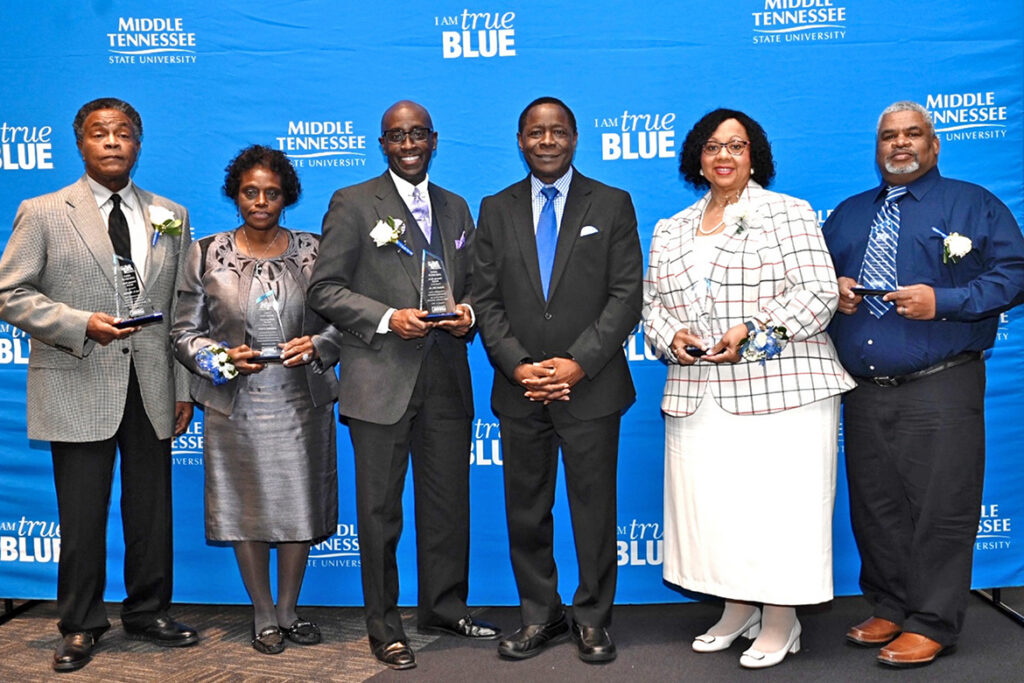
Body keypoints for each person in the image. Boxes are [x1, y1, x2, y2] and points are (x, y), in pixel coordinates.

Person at [642, 108, 854, 669]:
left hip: (783, 388)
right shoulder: (670, 227)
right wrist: (674, 336)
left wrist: (753, 332)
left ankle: (782, 618)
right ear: (698, 157)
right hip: (698, 391)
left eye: (736, 146)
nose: (724, 156)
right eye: (713, 146)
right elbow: (651, 307)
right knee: (717, 509)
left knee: (778, 507)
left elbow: (817, 294)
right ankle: (739, 608)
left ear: (753, 155)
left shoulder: (787, 213)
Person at [823, 100, 1024, 668]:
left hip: (942, 382)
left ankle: (933, 620)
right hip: (863, 388)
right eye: (889, 136)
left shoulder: (974, 203)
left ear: (935, 146)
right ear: (878, 147)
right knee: (877, 506)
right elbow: (809, 281)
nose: (901, 144)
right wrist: (830, 289)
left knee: (942, 508)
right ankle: (890, 605)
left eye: (913, 134)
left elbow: (1015, 275)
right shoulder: (847, 215)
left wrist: (946, 300)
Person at [0, 97, 197, 672]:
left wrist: (184, 387)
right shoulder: (42, 211)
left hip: (154, 383)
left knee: (151, 510)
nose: (111, 142)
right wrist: (77, 323)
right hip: (77, 376)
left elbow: (185, 308)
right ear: (79, 142)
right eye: (98, 132)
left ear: (139, 143)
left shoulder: (172, 214)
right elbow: (10, 293)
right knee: (83, 514)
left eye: (123, 132)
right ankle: (81, 623)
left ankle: (148, 610)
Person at [307, 100, 497, 671]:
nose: (408, 143)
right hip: (380, 379)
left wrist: (470, 315)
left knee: (446, 505)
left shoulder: (458, 207)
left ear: (434, 140)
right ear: (382, 143)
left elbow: (479, 288)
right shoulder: (353, 201)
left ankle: (443, 608)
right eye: (396, 135)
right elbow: (325, 290)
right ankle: (384, 627)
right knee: (380, 513)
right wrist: (390, 317)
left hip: (445, 378)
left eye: (418, 134)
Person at [473, 96, 643, 664]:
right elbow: (485, 299)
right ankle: (539, 615)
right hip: (520, 388)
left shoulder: (613, 203)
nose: (547, 141)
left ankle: (593, 618)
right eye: (535, 132)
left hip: (590, 387)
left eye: (558, 131)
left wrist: (578, 362)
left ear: (575, 137)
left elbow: (626, 296)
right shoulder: (494, 208)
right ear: (520, 140)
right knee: (526, 509)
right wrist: (518, 365)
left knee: (594, 512)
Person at [171, 145, 342, 655]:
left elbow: (343, 319)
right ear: (235, 195)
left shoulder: (316, 250)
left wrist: (320, 345)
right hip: (235, 403)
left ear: (286, 196)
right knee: (245, 508)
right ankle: (263, 612)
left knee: (299, 506)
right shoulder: (203, 252)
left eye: (271, 192)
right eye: (251, 192)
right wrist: (218, 360)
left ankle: (289, 609)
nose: (261, 201)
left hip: (302, 397)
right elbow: (183, 331)